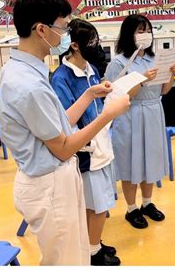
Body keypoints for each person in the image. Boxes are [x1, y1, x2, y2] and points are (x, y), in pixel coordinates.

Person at [0, 0, 130, 265]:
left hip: (50, 180)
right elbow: (63, 147)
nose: (67, 35)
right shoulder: (30, 85)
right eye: (64, 27)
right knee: (65, 262)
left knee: (73, 255)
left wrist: (88, 95)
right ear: (42, 30)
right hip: (50, 185)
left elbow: (57, 123)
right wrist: (107, 114)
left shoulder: (26, 69)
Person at [51, 18, 121, 266]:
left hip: (103, 144)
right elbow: (67, 119)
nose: (96, 45)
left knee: (97, 203)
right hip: (86, 152)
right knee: (98, 205)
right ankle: (93, 253)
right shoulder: (61, 78)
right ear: (76, 45)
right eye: (91, 41)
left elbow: (99, 106)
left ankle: (94, 243)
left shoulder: (92, 69)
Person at [105, 14, 175, 229]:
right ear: (129, 34)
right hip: (130, 114)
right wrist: (143, 78)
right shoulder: (118, 62)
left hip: (154, 111)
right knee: (130, 160)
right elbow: (119, 95)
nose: (145, 35)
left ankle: (147, 203)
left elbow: (164, 91)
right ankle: (131, 208)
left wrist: (171, 74)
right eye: (140, 31)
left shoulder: (154, 60)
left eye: (148, 30)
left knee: (151, 159)